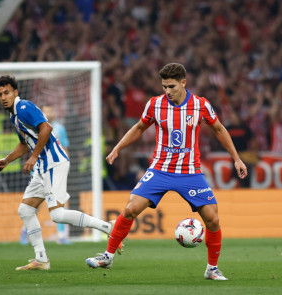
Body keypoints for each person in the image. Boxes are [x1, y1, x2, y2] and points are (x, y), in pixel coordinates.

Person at [85, 63, 248, 280]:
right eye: (164, 87)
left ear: (183, 82)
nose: (167, 91)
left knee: (213, 220)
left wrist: (236, 158)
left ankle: (212, 269)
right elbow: (139, 128)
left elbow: (219, 129)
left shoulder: (200, 105)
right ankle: (107, 256)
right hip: (160, 170)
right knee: (131, 208)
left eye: (171, 86)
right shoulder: (155, 104)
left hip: (190, 172)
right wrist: (117, 148)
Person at [0, 75, 123, 271]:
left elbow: (46, 128)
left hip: (53, 162)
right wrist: (7, 160)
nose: (3, 97)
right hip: (43, 165)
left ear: (15, 92)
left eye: (7, 92)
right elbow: (23, 143)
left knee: (57, 214)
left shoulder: (24, 107)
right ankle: (41, 259)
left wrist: (34, 156)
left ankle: (108, 228)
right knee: (26, 210)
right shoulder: (14, 115)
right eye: (0, 94)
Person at [41, 104, 71, 245]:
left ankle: (61, 235)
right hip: (41, 169)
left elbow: (65, 148)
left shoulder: (60, 128)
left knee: (59, 200)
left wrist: (66, 165)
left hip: (58, 168)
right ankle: (25, 231)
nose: (49, 113)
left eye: (50, 110)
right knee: (36, 202)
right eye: (46, 111)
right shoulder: (37, 127)